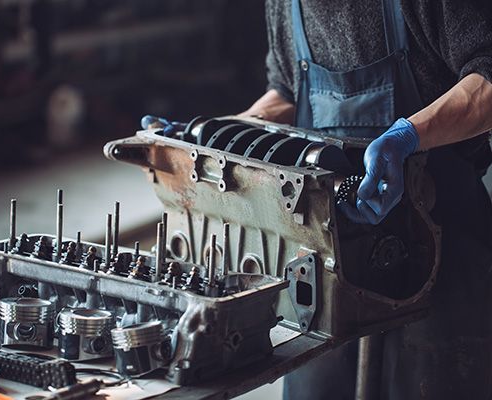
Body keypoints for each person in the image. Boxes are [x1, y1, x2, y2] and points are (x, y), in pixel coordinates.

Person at [143, 0, 492, 398]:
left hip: (441, 244)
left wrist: (407, 136)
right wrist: (213, 135)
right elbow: (287, 93)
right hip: (322, 259)